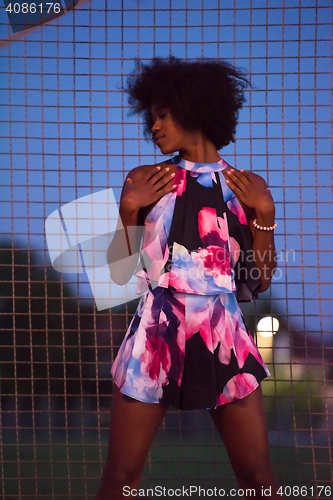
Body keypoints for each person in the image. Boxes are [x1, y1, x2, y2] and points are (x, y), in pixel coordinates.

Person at [95, 56, 280, 500]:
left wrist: (265, 215)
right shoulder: (144, 180)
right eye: (151, 115)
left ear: (194, 108)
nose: (153, 126)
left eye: (162, 114)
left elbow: (260, 279)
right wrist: (127, 211)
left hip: (223, 334)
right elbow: (119, 273)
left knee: (258, 478)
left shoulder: (246, 187)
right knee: (120, 477)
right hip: (154, 336)